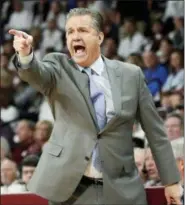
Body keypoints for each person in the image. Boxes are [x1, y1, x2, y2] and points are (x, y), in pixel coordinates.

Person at [9, 7, 182, 205]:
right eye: (70, 32)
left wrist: (171, 181)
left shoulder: (130, 75)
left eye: (82, 30)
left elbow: (156, 133)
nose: (75, 36)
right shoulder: (57, 67)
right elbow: (36, 73)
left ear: (99, 37)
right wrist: (25, 54)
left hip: (121, 191)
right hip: (71, 191)